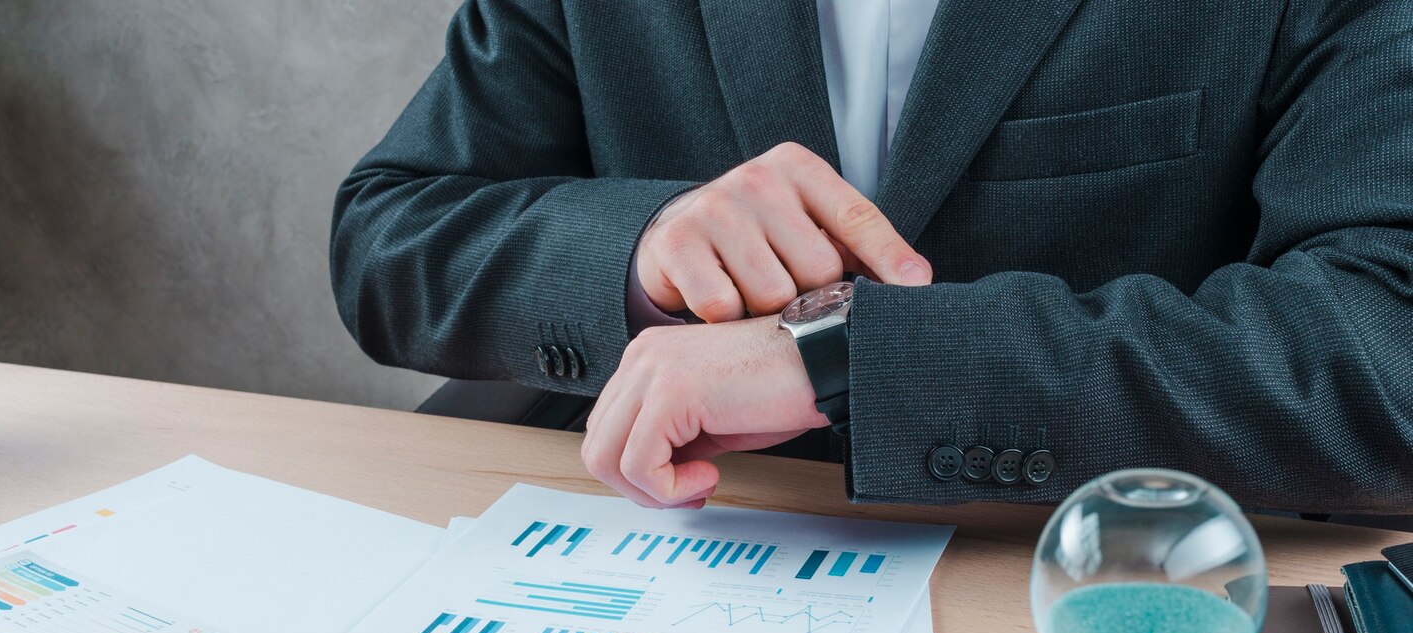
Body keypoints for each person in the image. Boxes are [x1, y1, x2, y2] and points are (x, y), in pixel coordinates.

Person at [329, 0, 1413, 513]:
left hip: (1082, 577)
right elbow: (392, 234)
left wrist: (851, 354)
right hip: (668, 543)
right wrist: (643, 252)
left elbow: (1386, 342)